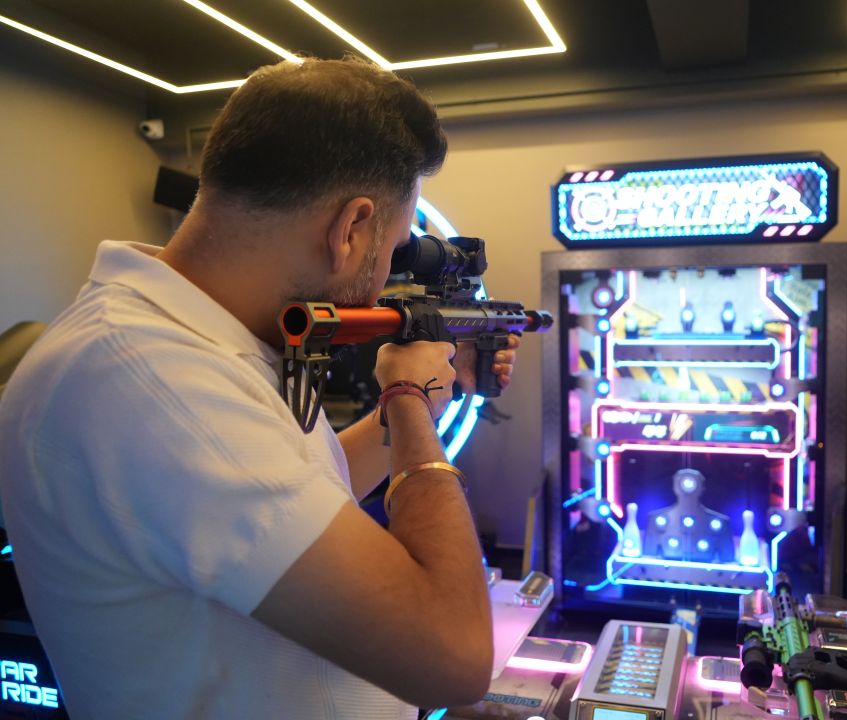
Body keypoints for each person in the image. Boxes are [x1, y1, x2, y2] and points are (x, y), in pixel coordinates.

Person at [0, 57, 518, 719]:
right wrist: (407, 406)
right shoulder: (156, 381)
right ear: (352, 228)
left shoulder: (196, 343)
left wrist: (427, 398)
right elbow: (454, 657)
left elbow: (301, 493)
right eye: (391, 244)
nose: (389, 268)